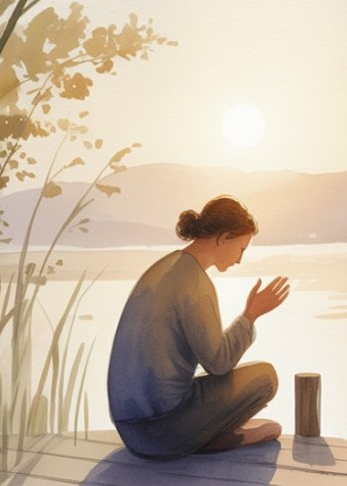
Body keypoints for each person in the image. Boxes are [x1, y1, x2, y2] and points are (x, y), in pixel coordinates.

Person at [107, 195, 290, 459]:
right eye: (241, 249)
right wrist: (251, 315)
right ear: (223, 237)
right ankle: (207, 440)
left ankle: (207, 435)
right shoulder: (196, 284)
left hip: (130, 430)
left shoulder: (163, 267)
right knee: (265, 377)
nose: (239, 260)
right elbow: (218, 363)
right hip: (162, 432)